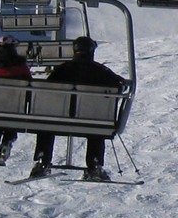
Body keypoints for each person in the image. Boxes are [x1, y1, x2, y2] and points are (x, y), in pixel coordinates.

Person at [30, 36, 125, 181]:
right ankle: (94, 165)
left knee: (46, 124)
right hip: (90, 120)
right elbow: (119, 84)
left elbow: (48, 87)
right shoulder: (100, 70)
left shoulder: (63, 69)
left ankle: (42, 160)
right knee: (97, 126)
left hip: (60, 118)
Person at [0, 36, 30, 165]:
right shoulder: (21, 67)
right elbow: (29, 85)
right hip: (14, 106)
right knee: (11, 116)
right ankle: (7, 142)